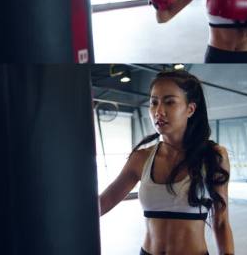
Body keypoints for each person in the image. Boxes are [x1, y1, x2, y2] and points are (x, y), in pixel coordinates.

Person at [99, 71, 234, 255]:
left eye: (169, 102)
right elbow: (103, 202)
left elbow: (221, 222)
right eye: (154, 102)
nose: (158, 111)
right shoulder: (141, 158)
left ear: (190, 109)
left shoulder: (213, 156)